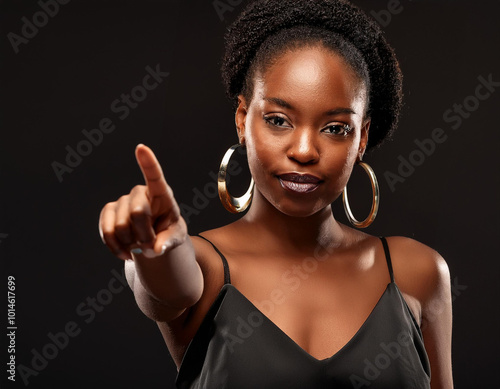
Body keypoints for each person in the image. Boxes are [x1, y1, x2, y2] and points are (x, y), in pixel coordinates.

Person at [98, 0, 453, 387]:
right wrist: (153, 249)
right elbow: (165, 288)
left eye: (335, 128)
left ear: (362, 137)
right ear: (242, 119)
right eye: (278, 120)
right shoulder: (205, 267)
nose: (304, 150)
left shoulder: (417, 273)